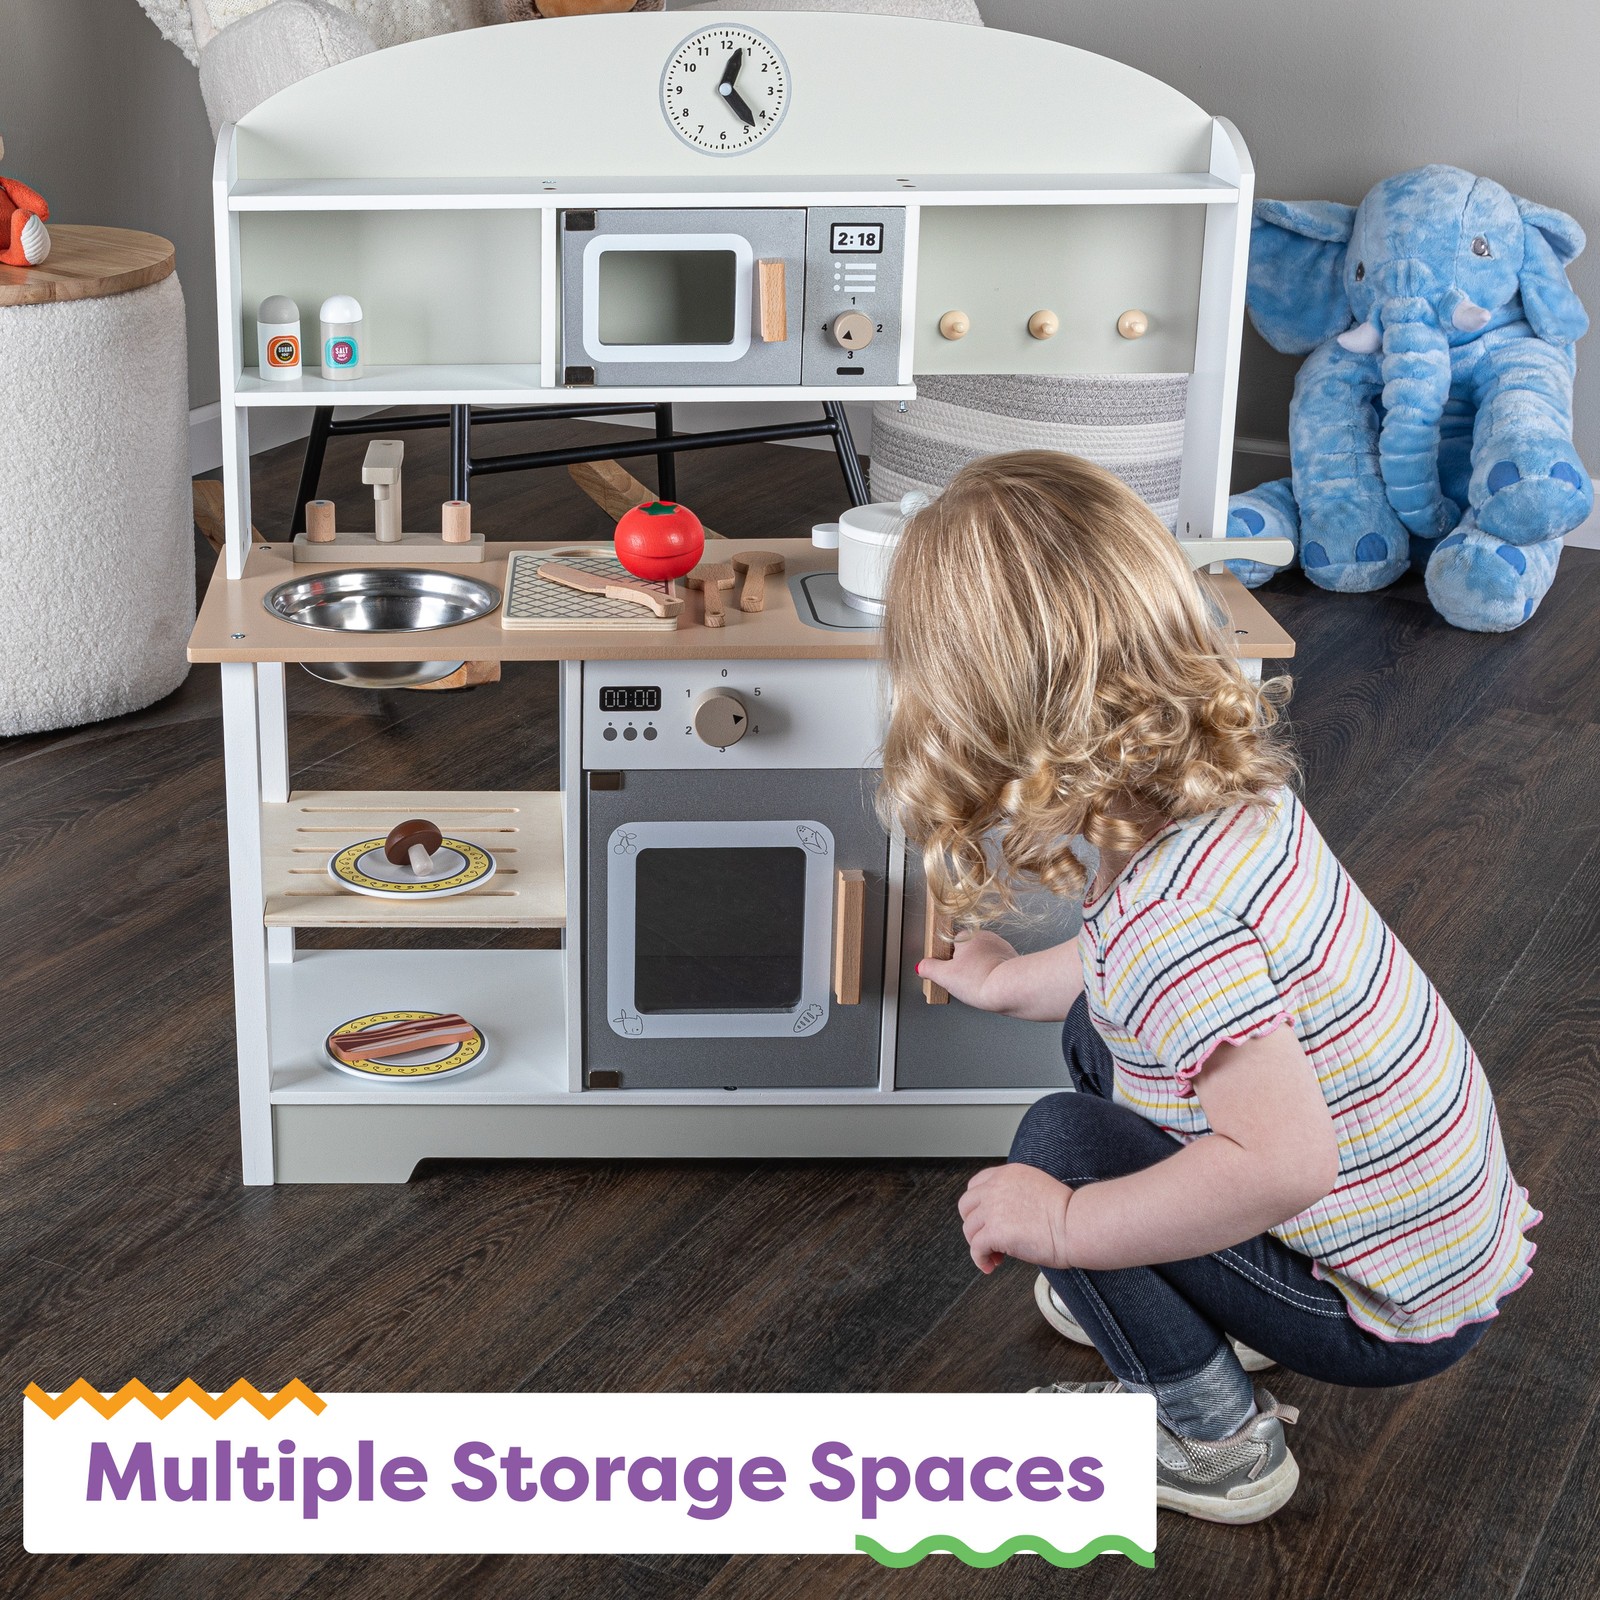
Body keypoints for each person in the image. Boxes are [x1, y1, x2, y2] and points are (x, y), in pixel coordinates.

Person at [878, 451, 1538, 1525]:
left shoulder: (1168, 924)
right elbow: (1134, 982)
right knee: (1095, 1039)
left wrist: (1070, 1225)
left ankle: (1215, 1436)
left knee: (1060, 1148)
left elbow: (1282, 1162)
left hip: (1375, 1298)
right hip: (1424, 1230)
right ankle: (1182, 1291)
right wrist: (1005, 983)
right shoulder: (1225, 800)